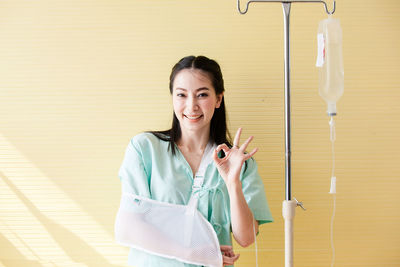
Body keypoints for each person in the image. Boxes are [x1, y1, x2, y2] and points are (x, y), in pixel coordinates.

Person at [117, 55, 273, 267]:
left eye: (202, 95)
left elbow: (246, 238)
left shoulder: (237, 162)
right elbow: (132, 226)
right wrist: (199, 252)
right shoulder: (145, 149)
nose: (191, 106)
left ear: (218, 99)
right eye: (181, 95)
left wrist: (232, 182)